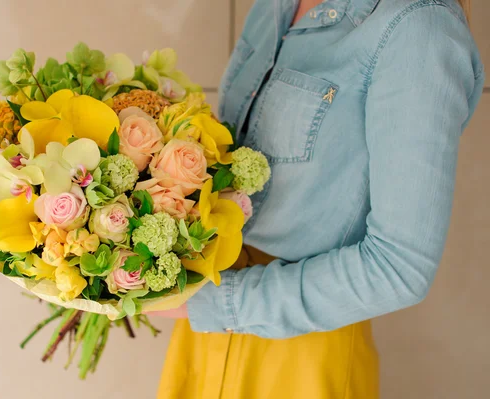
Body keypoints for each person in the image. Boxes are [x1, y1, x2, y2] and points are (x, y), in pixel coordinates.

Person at [153, 0, 485, 398]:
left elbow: (401, 267)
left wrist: (212, 306)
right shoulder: (275, 6)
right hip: (204, 328)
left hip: (299, 354)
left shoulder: (417, 29)